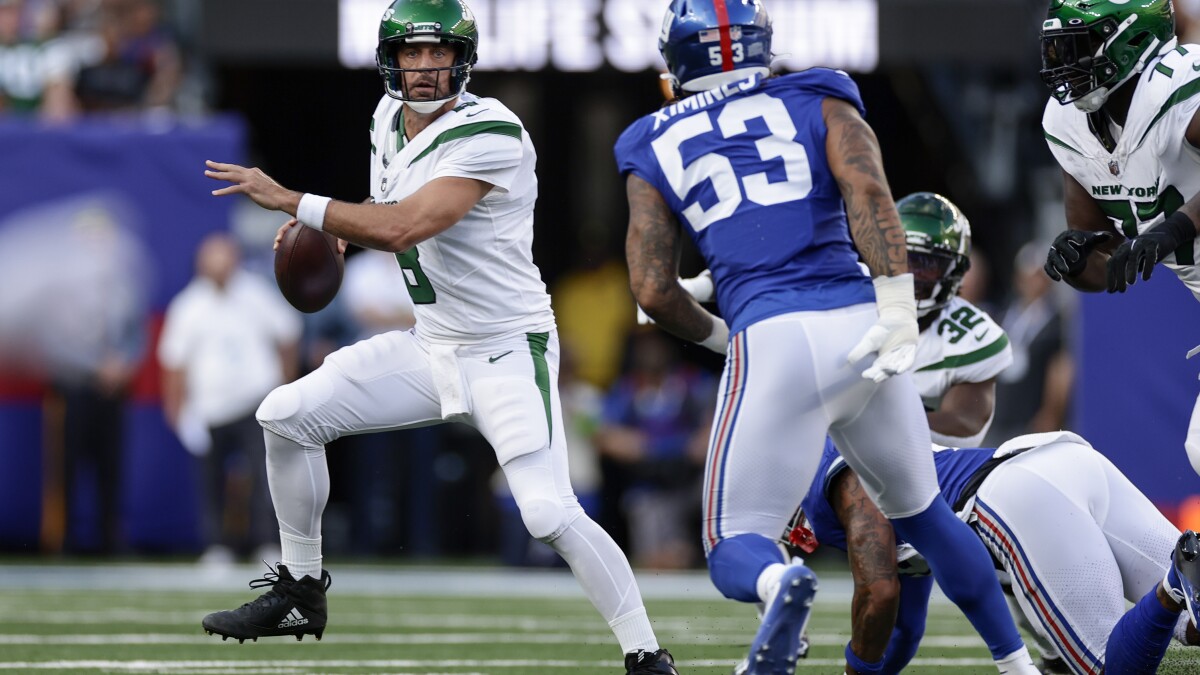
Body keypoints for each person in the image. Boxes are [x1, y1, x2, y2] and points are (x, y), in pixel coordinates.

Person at [199, 1, 679, 672]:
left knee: (546, 511)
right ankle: (302, 588)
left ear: (463, 59)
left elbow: (408, 226)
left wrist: (296, 202)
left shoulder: (492, 130)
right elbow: (384, 210)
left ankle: (646, 654)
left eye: (438, 53)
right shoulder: (384, 119)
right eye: (412, 53)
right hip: (431, 343)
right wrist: (338, 228)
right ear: (390, 58)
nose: (424, 68)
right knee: (284, 415)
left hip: (507, 348)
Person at [614, 2, 1038, 673]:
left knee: (733, 542)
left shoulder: (648, 139)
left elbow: (653, 290)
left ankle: (778, 583)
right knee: (926, 513)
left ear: (677, 59)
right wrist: (897, 305)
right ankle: (1018, 666)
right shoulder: (818, 90)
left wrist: (724, 333)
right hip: (862, 326)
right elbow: (867, 188)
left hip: (772, 339)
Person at [791, 432, 1200, 675]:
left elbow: (879, 592)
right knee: (1195, 625)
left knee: (1108, 668)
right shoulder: (858, 445)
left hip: (1013, 495)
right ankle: (1184, 570)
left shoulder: (827, 476)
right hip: (1063, 459)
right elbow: (904, 628)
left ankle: (1174, 582)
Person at [1039, 0, 1200, 476]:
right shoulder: (1067, 126)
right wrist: (1075, 260)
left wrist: (1177, 228)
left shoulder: (1180, 88)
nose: (1064, 64)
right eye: (1055, 51)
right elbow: (1107, 266)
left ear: (1131, 41)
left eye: (1080, 46)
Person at [158, 232, 301, 565]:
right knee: (209, 479)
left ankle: (265, 542)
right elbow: (174, 361)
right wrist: (176, 409)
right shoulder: (188, 305)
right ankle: (217, 545)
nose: (220, 265)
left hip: (256, 401)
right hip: (209, 407)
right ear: (201, 264)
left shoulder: (257, 293)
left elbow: (288, 333)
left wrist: (285, 387)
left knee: (265, 474)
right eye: (213, 258)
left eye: (225, 257)